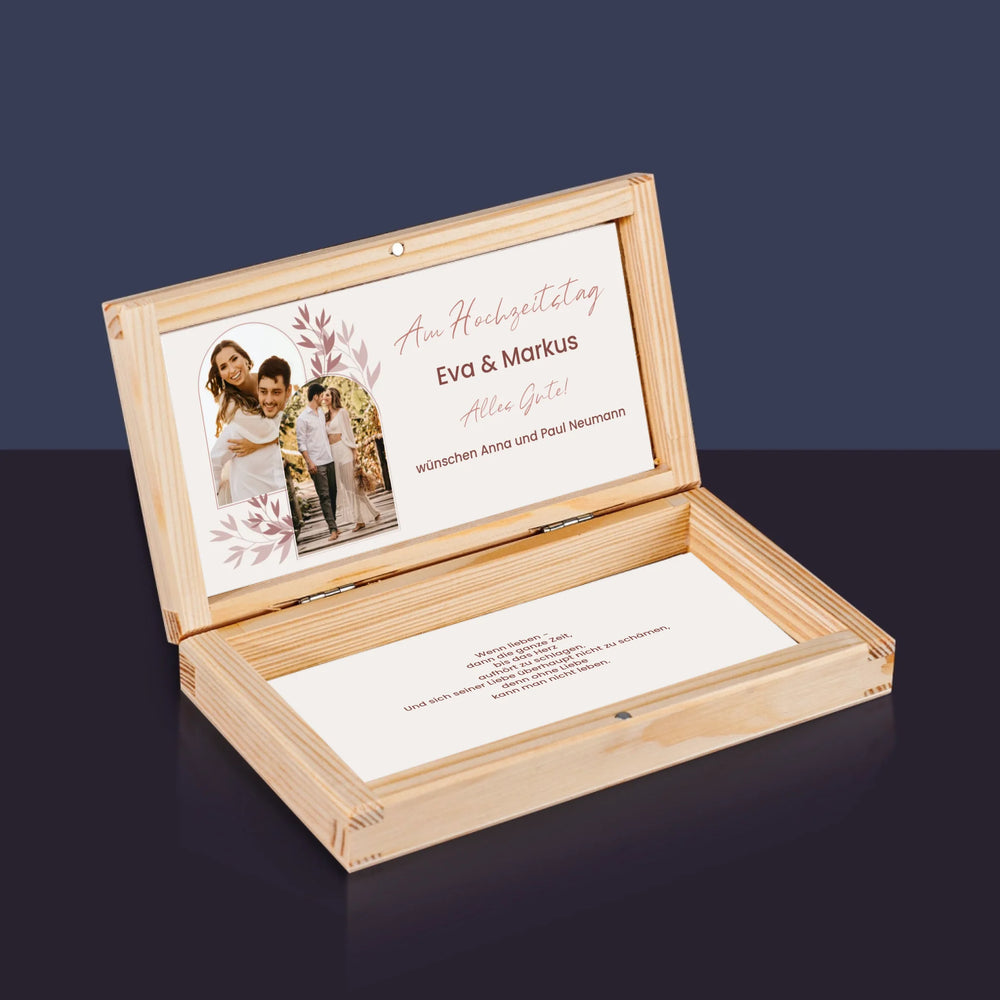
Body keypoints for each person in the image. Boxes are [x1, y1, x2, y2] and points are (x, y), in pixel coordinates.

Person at [210, 356, 292, 504]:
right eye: (263, 392)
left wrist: (257, 444)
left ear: (288, 391)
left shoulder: (286, 421)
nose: (268, 400)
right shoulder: (238, 429)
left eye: (276, 392)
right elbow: (213, 463)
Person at [324, 386, 381, 532]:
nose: (325, 398)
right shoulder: (325, 416)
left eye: (328, 395)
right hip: (333, 453)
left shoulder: (342, 412)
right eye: (324, 396)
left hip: (344, 450)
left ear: (334, 397)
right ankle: (373, 512)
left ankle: (359, 520)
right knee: (349, 486)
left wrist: (354, 452)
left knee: (351, 486)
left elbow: (349, 433)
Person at [296, 382, 340, 542]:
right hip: (316, 463)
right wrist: (309, 462)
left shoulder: (321, 413)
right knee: (324, 496)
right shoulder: (302, 419)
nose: (323, 399)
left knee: (333, 493)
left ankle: (334, 524)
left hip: (329, 459)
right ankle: (332, 529)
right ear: (315, 396)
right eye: (321, 396)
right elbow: (301, 444)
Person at [205, 340, 260, 436]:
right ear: (220, 375)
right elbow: (260, 432)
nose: (232, 370)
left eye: (234, 359)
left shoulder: (272, 378)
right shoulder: (228, 403)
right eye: (223, 367)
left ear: (245, 357)